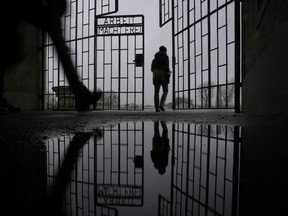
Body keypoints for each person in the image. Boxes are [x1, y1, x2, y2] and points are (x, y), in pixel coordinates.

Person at [0, 0, 102, 115]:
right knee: (12, 50)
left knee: (60, 50)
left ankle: (82, 95)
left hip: (43, 6)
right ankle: (82, 95)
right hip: (39, 5)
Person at [151, 46, 171, 112]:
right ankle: (161, 104)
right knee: (165, 90)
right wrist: (168, 72)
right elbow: (167, 67)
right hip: (164, 76)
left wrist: (157, 70)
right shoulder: (166, 57)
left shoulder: (154, 59)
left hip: (156, 77)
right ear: (165, 51)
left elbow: (151, 69)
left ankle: (157, 108)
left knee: (156, 93)